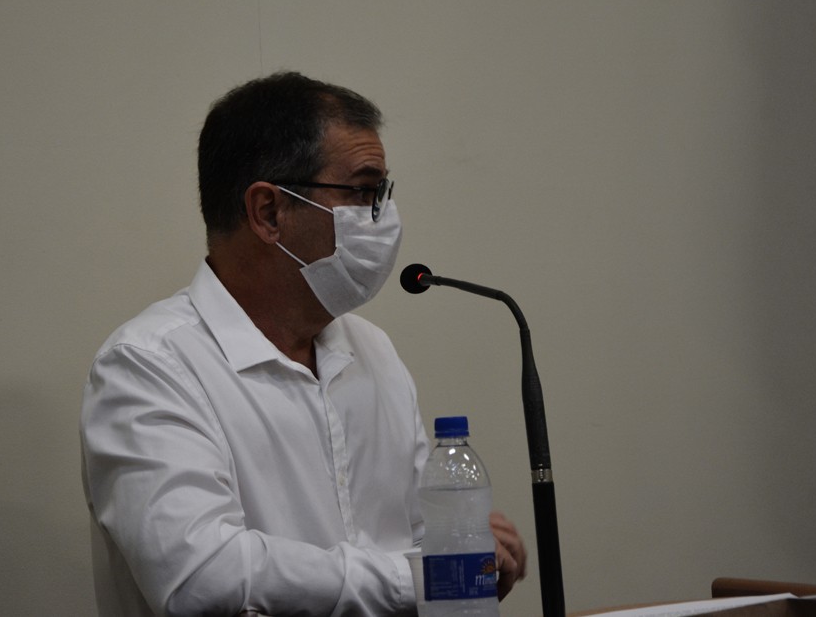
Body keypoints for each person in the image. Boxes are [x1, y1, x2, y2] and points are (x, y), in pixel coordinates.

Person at [80, 72, 527, 616]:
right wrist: (423, 576)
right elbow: (200, 577)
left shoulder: (373, 350)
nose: (383, 217)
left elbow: (419, 540)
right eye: (364, 192)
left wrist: (465, 547)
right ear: (269, 212)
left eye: (383, 193)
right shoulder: (148, 365)